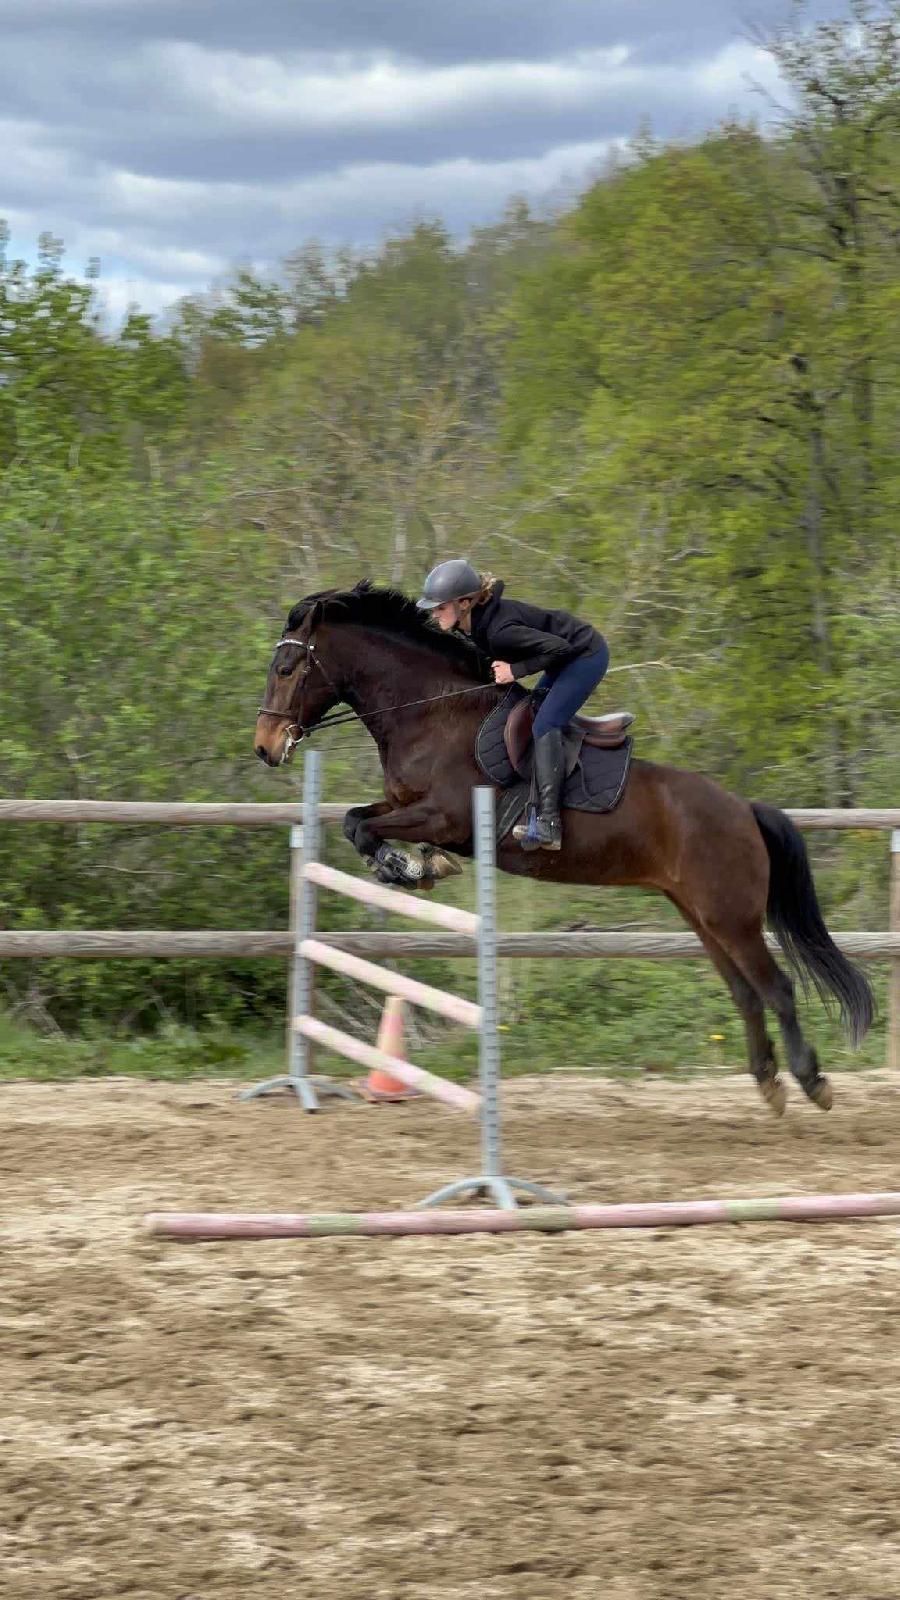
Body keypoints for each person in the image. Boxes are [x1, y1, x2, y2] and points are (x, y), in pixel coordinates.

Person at [417, 559, 609, 850]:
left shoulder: (498, 630)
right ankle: (532, 811)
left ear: (465, 603)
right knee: (531, 717)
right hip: (563, 656)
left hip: (585, 656)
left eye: (440, 607)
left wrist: (515, 671)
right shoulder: (469, 625)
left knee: (546, 723)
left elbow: (561, 649)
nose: (434, 614)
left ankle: (550, 824)